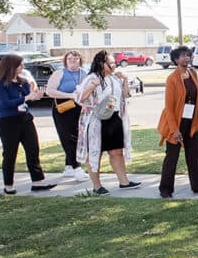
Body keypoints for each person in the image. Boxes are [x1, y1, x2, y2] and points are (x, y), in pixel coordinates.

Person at [0, 54, 55, 195]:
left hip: (25, 119)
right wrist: (26, 97)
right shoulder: (1, 83)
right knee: (10, 153)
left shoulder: (23, 82)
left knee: (33, 150)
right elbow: (5, 103)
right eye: (20, 65)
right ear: (11, 66)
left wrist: (35, 96)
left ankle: (37, 182)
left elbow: (27, 98)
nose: (22, 67)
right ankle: (8, 184)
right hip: (8, 121)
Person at [78, 50, 140, 195]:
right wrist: (93, 86)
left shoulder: (114, 79)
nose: (114, 65)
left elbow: (125, 95)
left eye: (114, 62)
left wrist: (124, 80)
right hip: (97, 121)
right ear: (101, 63)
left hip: (114, 119)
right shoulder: (91, 78)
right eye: (111, 63)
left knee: (117, 152)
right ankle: (97, 186)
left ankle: (124, 182)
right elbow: (81, 98)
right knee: (95, 152)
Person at [156, 46, 198, 197]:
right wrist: (175, 130)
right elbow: (169, 108)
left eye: (188, 55)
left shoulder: (193, 73)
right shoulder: (172, 79)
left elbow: (196, 93)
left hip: (192, 122)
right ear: (175, 60)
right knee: (171, 158)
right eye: (182, 56)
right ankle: (165, 189)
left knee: (194, 156)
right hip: (175, 123)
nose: (186, 58)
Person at [44, 50, 89, 182]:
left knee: (79, 136)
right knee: (69, 137)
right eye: (70, 59)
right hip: (63, 108)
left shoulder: (84, 73)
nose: (73, 61)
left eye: (76, 59)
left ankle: (68, 166)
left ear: (80, 60)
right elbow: (50, 91)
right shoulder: (59, 73)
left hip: (80, 107)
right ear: (65, 61)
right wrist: (70, 95)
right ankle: (76, 168)